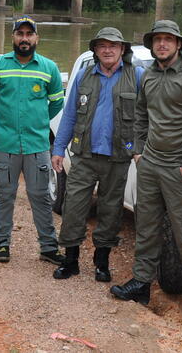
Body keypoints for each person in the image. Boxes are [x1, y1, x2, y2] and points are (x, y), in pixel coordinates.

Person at [110, 20, 182, 322]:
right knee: (146, 227)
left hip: (180, 167)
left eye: (169, 39)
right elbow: (140, 114)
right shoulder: (150, 75)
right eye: (158, 40)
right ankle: (141, 284)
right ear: (152, 44)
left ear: (179, 44)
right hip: (150, 164)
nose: (163, 44)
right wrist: (139, 151)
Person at [51, 27, 144, 281]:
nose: (108, 50)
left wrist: (139, 148)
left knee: (111, 211)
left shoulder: (137, 76)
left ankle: (101, 262)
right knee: (73, 207)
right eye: (102, 45)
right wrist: (59, 148)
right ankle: (70, 261)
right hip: (84, 155)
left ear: (122, 49)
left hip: (118, 157)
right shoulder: (83, 75)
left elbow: (146, 117)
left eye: (113, 45)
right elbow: (70, 114)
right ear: (95, 49)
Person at [0, 15, 65, 265]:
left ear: (37, 38)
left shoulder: (48, 68)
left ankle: (48, 247)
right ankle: (3, 243)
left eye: (29, 34)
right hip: (5, 144)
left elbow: (57, 102)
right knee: (5, 195)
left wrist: (38, 122)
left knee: (39, 195)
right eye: (20, 34)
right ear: (13, 37)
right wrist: (3, 120)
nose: (24, 39)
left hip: (37, 145)